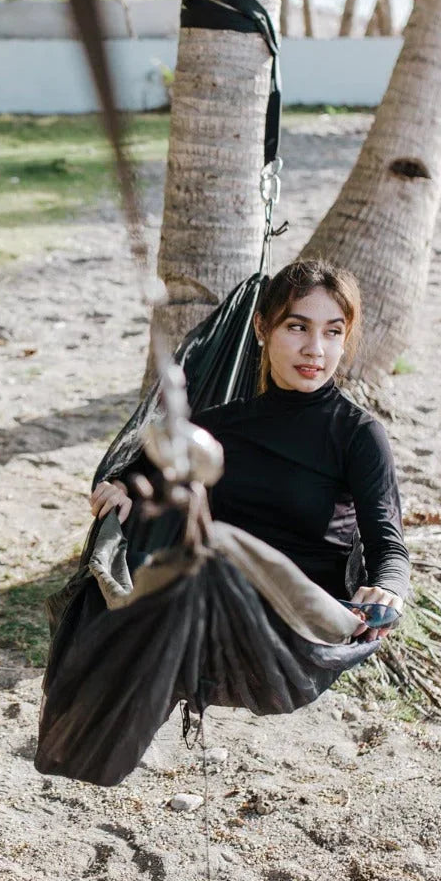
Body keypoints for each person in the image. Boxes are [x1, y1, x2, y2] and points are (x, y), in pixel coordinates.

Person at [88, 258, 409, 642]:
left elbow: (388, 545)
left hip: (300, 625)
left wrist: (388, 589)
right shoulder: (221, 426)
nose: (315, 349)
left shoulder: (358, 434)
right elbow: (152, 478)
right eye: (297, 327)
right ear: (262, 328)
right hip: (219, 604)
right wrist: (120, 487)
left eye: (333, 333)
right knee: (134, 587)